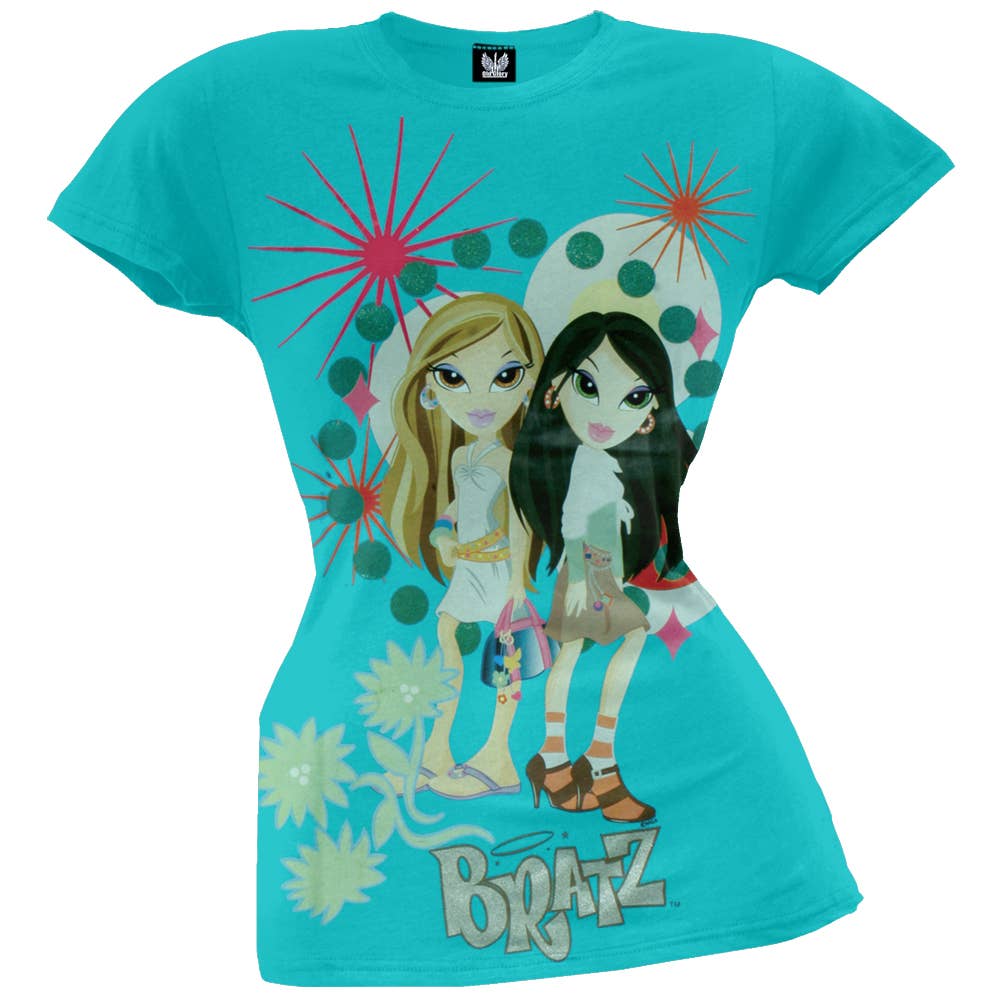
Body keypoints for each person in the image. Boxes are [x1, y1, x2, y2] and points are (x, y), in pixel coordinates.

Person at [511, 311, 696, 822]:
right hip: (588, 569)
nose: (605, 413)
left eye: (634, 397)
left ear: (651, 411)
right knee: (595, 647)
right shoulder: (589, 460)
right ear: (555, 389)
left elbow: (602, 513)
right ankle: (579, 757)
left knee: (593, 648)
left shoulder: (608, 461)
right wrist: (580, 576)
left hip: (600, 570)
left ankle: (568, 757)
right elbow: (575, 519)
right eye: (588, 386)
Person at [381, 293, 545, 798]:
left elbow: (520, 521)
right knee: (447, 635)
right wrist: (441, 535)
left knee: (506, 661)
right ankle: (438, 749)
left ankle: (498, 755)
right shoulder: (460, 458)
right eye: (453, 377)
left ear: (528, 384)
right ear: (429, 387)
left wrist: (517, 580)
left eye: (505, 375)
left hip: (499, 571)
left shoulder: (508, 461)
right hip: (468, 569)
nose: (479, 398)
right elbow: (453, 507)